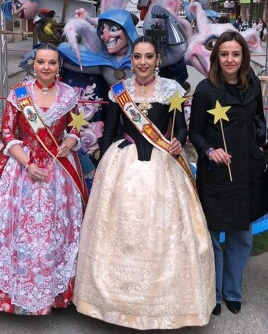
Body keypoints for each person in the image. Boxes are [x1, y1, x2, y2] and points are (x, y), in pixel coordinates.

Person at [74, 36, 215, 330]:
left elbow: (182, 130)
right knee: (119, 229)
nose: (142, 62)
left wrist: (179, 142)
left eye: (148, 57)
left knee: (164, 231)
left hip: (162, 167)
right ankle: (111, 303)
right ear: (131, 60)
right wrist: (103, 171)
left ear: (157, 60)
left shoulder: (172, 90)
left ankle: (164, 304)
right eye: (137, 57)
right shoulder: (119, 92)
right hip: (122, 166)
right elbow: (110, 132)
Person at [0, 43, 87, 315]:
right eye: (41, 62)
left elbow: (76, 126)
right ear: (34, 64)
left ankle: (56, 293)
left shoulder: (70, 95)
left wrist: (72, 140)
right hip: (21, 169)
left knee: (58, 232)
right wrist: (27, 163)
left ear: (58, 66)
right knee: (15, 231)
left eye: (52, 63)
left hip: (58, 171)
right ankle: (15, 293)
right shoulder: (19, 95)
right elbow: (7, 133)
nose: (46, 67)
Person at [189, 30, 268, 316]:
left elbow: (260, 117)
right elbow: (195, 132)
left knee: (241, 236)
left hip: (246, 173)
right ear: (216, 57)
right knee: (212, 237)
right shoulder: (205, 90)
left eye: (235, 54)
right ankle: (214, 293)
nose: (230, 59)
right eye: (224, 54)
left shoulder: (253, 84)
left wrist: (261, 142)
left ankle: (233, 290)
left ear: (244, 57)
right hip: (216, 174)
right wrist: (210, 151)